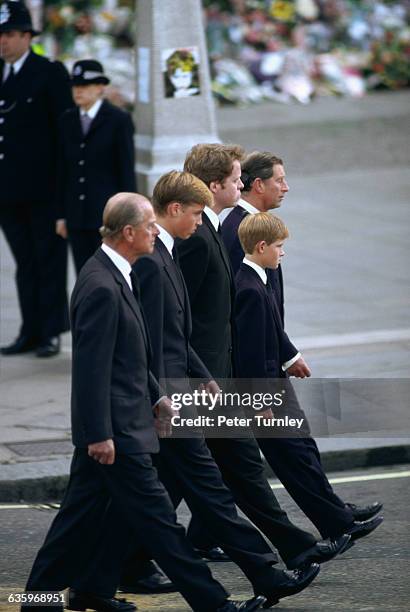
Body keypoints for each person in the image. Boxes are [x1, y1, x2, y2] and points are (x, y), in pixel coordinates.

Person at [21, 192, 267, 612]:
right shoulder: (100, 284)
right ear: (129, 232)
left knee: (73, 527)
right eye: (150, 225)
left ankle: (48, 600)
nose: (156, 232)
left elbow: (132, 355)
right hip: (117, 432)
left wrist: (158, 397)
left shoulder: (120, 273)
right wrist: (99, 434)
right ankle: (215, 604)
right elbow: (92, 370)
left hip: (126, 421)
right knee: (161, 525)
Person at [177, 143, 349, 566]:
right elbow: (194, 318)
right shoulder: (204, 238)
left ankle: (289, 552)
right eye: (237, 180)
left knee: (231, 473)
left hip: (217, 377)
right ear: (215, 185)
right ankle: (129, 562)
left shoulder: (214, 230)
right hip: (209, 379)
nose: (242, 186)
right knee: (197, 478)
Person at [221, 151, 384, 539]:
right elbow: (247, 309)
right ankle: (335, 521)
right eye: (280, 179)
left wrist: (288, 352)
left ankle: (335, 513)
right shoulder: (237, 231)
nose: (286, 186)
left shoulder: (254, 226)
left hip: (269, 361)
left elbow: (268, 304)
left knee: (290, 446)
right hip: (254, 372)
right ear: (258, 185)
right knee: (283, 450)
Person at [0, 0, 72, 358]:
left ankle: (50, 331)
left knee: (48, 261)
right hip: (7, 190)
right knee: (24, 263)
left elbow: (64, 139)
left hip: (44, 189)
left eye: (11, 34)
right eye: (1, 35)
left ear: (28, 36)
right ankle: (29, 330)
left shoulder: (49, 72)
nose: (4, 42)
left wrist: (63, 196)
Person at [55, 59, 136, 274]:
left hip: (107, 215)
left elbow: (125, 171)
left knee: (110, 273)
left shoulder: (118, 119)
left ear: (100, 87)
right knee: (83, 272)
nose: (78, 91)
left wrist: (127, 216)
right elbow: (62, 170)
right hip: (76, 216)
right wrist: (62, 215)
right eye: (75, 86)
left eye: (85, 86)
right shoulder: (66, 120)